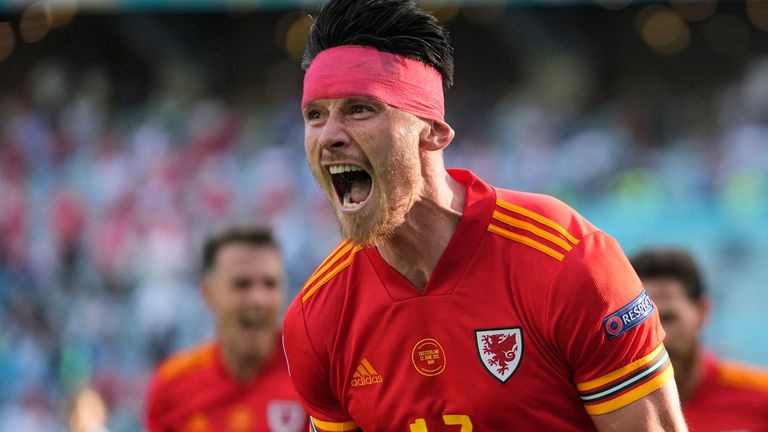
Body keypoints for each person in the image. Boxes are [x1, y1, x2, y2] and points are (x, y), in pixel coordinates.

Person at [281, 1, 688, 431]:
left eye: (360, 109)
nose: (328, 136)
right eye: (315, 115)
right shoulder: (317, 317)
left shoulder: (567, 262)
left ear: (433, 133)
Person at [145, 227, 307, 432]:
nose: (259, 299)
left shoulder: (314, 373)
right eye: (242, 285)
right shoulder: (171, 385)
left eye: (270, 284)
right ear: (208, 294)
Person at [631, 247, 768, 432]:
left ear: (702, 311)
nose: (656, 339)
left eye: (668, 318)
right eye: (642, 325)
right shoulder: (600, 411)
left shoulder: (761, 397)